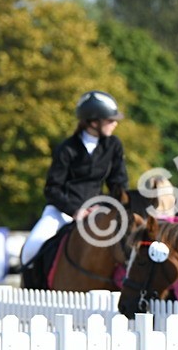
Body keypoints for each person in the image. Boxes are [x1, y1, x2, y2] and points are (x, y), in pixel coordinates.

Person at [21, 91, 130, 267]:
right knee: (31, 249)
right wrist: (75, 210)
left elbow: (119, 184)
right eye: (110, 120)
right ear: (93, 122)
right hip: (62, 211)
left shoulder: (113, 145)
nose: (115, 124)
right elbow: (52, 189)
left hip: (98, 211)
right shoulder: (67, 149)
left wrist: (104, 207)